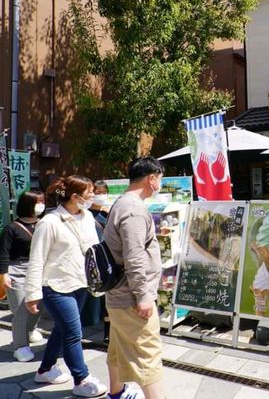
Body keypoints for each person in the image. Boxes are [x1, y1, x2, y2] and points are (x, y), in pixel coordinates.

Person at [24, 176, 108, 398]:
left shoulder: (88, 217)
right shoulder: (49, 222)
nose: (93, 196)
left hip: (80, 283)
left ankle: (45, 369)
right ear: (75, 196)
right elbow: (37, 260)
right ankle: (82, 379)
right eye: (90, 193)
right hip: (56, 287)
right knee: (73, 333)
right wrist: (32, 294)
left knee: (63, 330)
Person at [103, 157, 164, 399]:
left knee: (118, 347)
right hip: (131, 296)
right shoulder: (134, 210)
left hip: (119, 293)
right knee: (148, 353)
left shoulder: (122, 203)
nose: (159, 184)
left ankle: (116, 393)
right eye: (159, 179)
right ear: (151, 179)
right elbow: (135, 255)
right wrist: (143, 296)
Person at [0, 190, 46, 362]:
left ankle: (30, 329)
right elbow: (3, 254)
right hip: (17, 270)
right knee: (21, 310)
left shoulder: (45, 224)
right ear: (27, 204)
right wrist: (4, 275)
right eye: (37, 202)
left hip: (39, 269)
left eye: (43, 201)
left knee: (38, 305)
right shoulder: (11, 228)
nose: (41, 205)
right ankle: (20, 346)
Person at [81, 180, 111, 343]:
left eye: (103, 192)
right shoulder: (85, 215)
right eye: (96, 192)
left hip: (108, 260)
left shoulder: (109, 212)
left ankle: (108, 333)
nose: (100, 195)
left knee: (107, 299)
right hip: (93, 260)